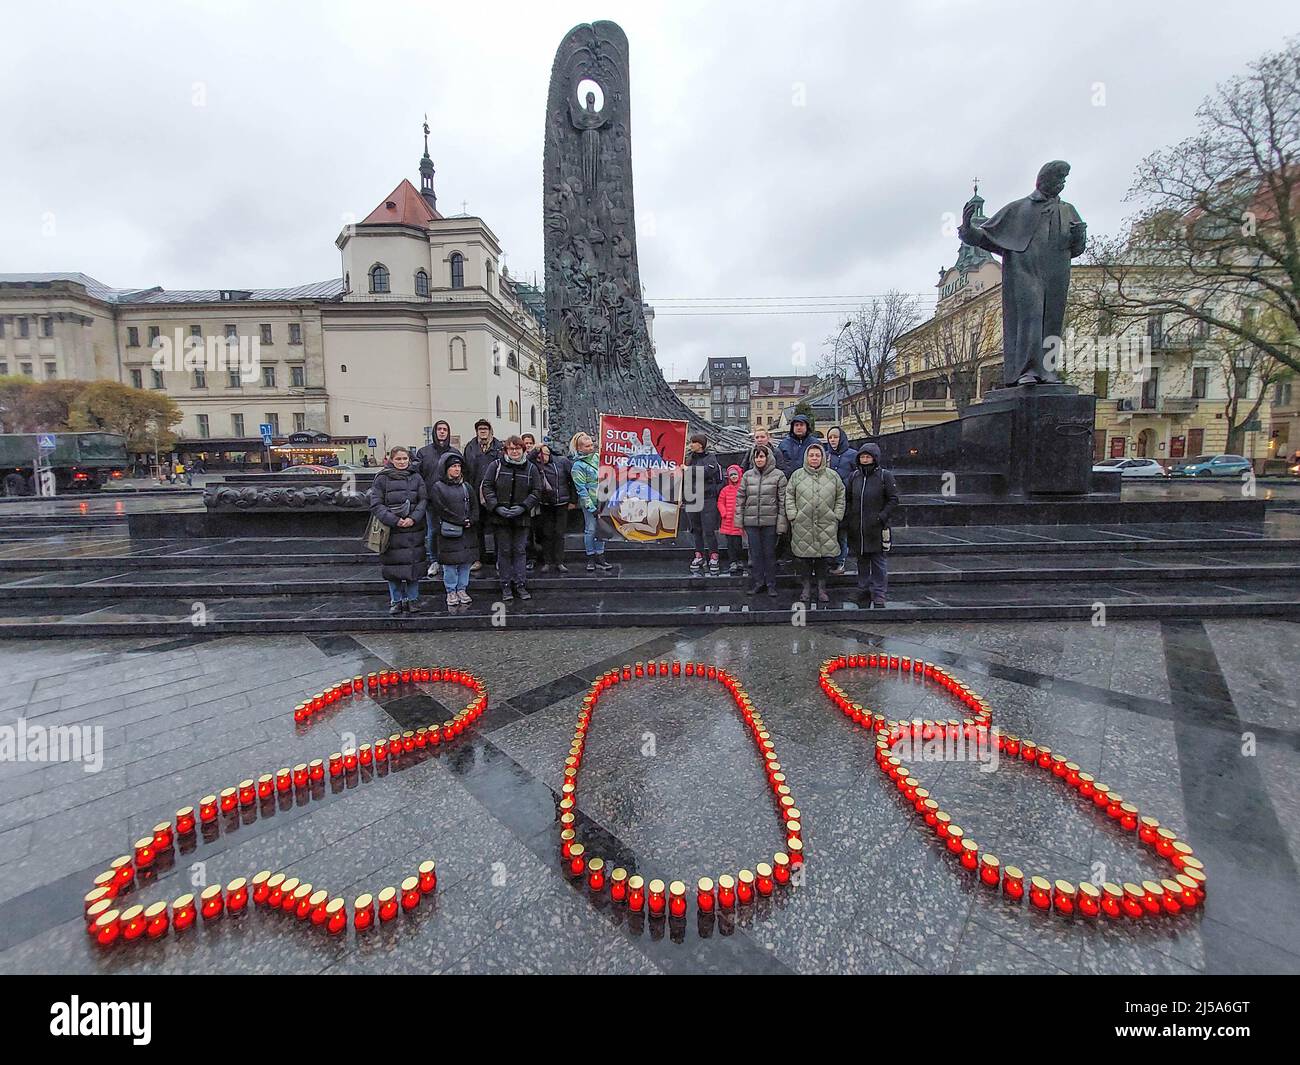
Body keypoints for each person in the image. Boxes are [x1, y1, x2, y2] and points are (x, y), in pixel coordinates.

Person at [368, 446, 428, 615]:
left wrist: (413, 518)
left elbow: (423, 500)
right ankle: (396, 600)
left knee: (413, 567)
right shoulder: (382, 479)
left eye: (405, 459)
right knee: (393, 568)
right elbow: (376, 504)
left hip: (413, 530)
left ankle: (412, 599)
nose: (402, 462)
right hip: (391, 531)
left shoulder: (416, 477)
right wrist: (395, 520)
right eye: (398, 459)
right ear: (391, 460)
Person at [481, 435, 541, 601]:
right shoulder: (496, 466)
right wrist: (497, 506)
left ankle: (520, 584)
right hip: (500, 517)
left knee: (520, 551)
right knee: (504, 551)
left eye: (517, 448)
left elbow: (537, 491)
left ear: (523, 449)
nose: (514, 451)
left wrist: (523, 507)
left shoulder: (531, 468)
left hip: (522, 517)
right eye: (511, 448)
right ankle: (506, 585)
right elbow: (487, 486)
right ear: (506, 450)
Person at [786, 442, 845, 603]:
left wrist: (837, 515)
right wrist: (793, 515)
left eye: (817, 455)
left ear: (823, 457)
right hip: (802, 524)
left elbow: (841, 496)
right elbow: (789, 495)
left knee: (822, 560)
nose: (814, 458)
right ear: (806, 457)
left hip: (826, 523)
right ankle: (805, 588)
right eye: (811, 455)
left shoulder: (833, 476)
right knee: (804, 560)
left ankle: (821, 589)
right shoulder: (797, 475)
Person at [844, 443, 900, 608]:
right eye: (862, 457)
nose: (865, 460)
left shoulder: (885, 476)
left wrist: (881, 517)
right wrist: (850, 517)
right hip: (858, 528)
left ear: (875, 458)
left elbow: (893, 499)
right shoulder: (854, 476)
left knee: (878, 563)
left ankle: (879, 594)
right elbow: (848, 498)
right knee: (862, 561)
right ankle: (863, 590)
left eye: (868, 457)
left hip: (877, 528)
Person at [426, 452, 478, 609]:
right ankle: (451, 591)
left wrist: (471, 520)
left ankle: (462, 589)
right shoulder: (438, 488)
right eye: (453, 466)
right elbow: (441, 509)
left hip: (467, 532)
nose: (456, 469)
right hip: (449, 532)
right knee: (450, 565)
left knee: (465, 563)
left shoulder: (466, 487)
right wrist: (460, 521)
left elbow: (475, 507)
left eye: (458, 466)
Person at [736, 444, 787, 596]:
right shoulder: (747, 476)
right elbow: (740, 499)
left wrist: (781, 524)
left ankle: (771, 584)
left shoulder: (779, 475)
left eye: (762, 456)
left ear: (768, 457)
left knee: (770, 555)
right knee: (755, 555)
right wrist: (739, 521)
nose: (759, 459)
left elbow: (782, 501)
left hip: (770, 522)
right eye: (756, 456)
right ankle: (758, 582)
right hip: (751, 523)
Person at [416, 420, 456, 578]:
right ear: (434, 432)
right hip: (431, 500)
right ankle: (434, 560)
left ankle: (448, 559)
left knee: (450, 531)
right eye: (439, 429)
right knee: (432, 531)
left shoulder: (454, 452)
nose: (442, 432)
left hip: (450, 499)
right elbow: (418, 476)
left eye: (445, 429)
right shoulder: (423, 452)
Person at [463, 419, 502, 572]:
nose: (483, 431)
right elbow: (465, 469)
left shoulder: (498, 446)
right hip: (474, 492)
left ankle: (500, 559)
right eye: (480, 429)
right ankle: (478, 558)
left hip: (494, 494)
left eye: (485, 428)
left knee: (497, 528)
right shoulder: (470, 447)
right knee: (476, 528)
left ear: (490, 430)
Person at [570, 432, 613, 573]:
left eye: (591, 445)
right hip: (590, 501)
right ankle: (590, 557)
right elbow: (581, 489)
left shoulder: (597, 457)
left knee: (601, 528)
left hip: (603, 499)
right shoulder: (578, 466)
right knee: (590, 529)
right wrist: (590, 507)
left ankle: (600, 556)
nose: (590, 448)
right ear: (579, 448)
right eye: (587, 446)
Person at [684, 433, 723, 575]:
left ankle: (714, 556)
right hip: (692, 498)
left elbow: (708, 471)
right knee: (696, 529)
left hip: (708, 498)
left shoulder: (710, 457)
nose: (691, 445)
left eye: (693, 442)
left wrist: (689, 470)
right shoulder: (688, 459)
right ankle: (699, 554)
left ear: (700, 444)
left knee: (709, 529)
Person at [532, 442, 573, 573]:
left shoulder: (562, 462)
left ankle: (559, 562)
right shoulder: (536, 464)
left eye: (544, 454)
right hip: (545, 504)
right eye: (539, 455)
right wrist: (535, 451)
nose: (542, 458)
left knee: (559, 533)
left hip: (561, 503)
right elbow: (526, 461)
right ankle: (547, 561)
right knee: (547, 533)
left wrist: (573, 500)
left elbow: (571, 480)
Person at [824, 426, 855, 575]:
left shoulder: (852, 455)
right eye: (830, 437)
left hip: (845, 500)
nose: (833, 440)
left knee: (842, 534)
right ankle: (831, 561)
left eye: (835, 437)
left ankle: (841, 562)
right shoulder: (826, 455)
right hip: (828, 500)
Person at [716, 464, 746, 576]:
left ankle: (739, 560)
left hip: (738, 521)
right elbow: (720, 502)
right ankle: (732, 561)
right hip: (727, 521)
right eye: (731, 475)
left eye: (735, 474)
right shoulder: (725, 490)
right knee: (730, 544)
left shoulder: (743, 489)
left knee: (738, 543)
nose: (733, 477)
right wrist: (724, 513)